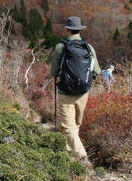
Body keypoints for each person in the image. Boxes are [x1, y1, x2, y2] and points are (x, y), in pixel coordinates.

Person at [50, 16, 98, 165]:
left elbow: (54, 72)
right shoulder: (89, 48)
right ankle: (72, 159)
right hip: (83, 92)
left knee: (68, 127)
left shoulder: (61, 47)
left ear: (67, 29)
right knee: (74, 126)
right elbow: (96, 71)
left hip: (65, 93)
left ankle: (82, 157)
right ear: (80, 30)